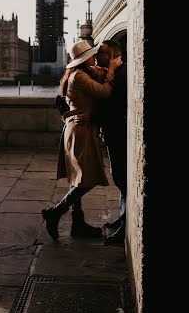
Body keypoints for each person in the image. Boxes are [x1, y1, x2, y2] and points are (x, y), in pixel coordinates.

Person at [42, 39, 122, 241]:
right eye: (93, 54)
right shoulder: (79, 76)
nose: (95, 57)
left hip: (77, 129)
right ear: (85, 58)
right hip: (82, 131)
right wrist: (112, 68)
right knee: (88, 178)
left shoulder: (80, 73)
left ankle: (78, 223)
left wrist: (103, 70)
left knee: (77, 177)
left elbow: (98, 79)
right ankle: (56, 212)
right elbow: (105, 92)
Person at [94, 40, 127, 245]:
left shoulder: (121, 76)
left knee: (122, 178)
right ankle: (123, 218)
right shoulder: (115, 73)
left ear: (113, 55)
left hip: (118, 133)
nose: (97, 56)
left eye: (101, 53)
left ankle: (125, 228)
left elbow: (112, 104)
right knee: (120, 178)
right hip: (113, 132)